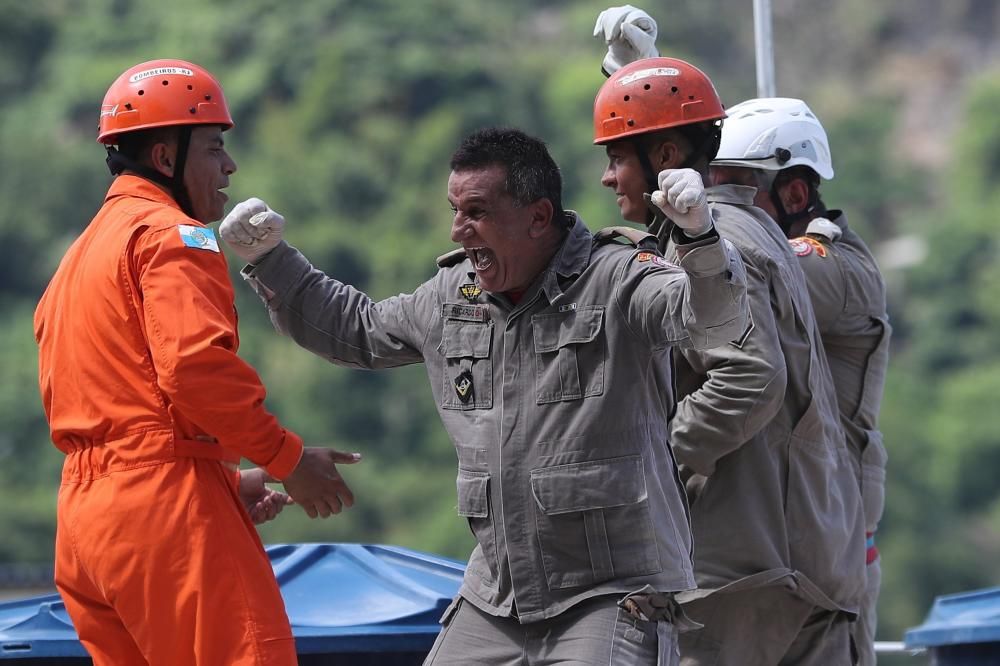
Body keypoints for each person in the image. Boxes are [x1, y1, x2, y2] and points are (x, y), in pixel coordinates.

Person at [219, 127, 749, 665]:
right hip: (497, 597)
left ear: (538, 217)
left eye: (475, 212)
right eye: (455, 210)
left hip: (612, 594)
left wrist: (701, 241)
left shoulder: (618, 278)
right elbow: (357, 330)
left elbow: (712, 322)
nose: (457, 231)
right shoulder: (455, 293)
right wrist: (271, 259)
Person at [33, 59, 361, 666]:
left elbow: (118, 420)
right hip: (165, 512)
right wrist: (287, 459)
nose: (229, 166)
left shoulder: (77, 261)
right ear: (165, 159)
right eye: (214, 148)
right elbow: (192, 372)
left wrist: (228, 482)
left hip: (84, 528)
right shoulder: (172, 235)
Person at [591, 44, 866, 665]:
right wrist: (641, 76)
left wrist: (653, 459)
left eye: (615, 157)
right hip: (813, 555)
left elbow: (747, 379)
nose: (608, 178)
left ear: (665, 157)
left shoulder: (715, 241)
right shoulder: (756, 229)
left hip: (743, 571)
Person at [711, 97, 891, 665]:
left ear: (793, 194)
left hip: (823, 558)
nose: (723, 208)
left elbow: (737, 268)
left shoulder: (831, 270)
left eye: (739, 192)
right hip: (778, 543)